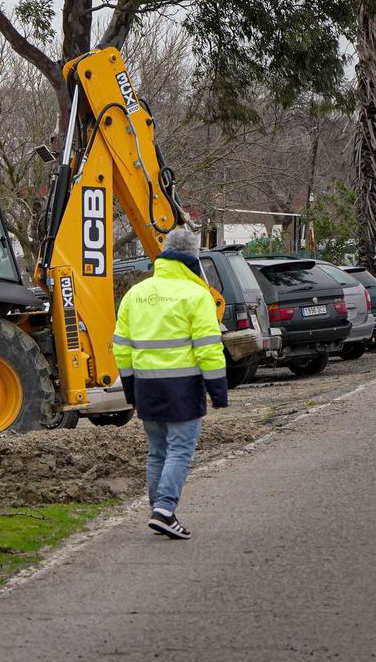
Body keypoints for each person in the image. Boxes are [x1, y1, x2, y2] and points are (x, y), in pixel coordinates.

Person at [112, 226, 227, 539]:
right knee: (179, 452)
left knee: (157, 452)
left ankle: (158, 512)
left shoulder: (135, 294)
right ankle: (164, 509)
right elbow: (208, 348)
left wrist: (130, 390)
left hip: (147, 389)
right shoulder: (197, 295)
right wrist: (218, 390)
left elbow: (120, 347)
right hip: (183, 390)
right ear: (193, 258)